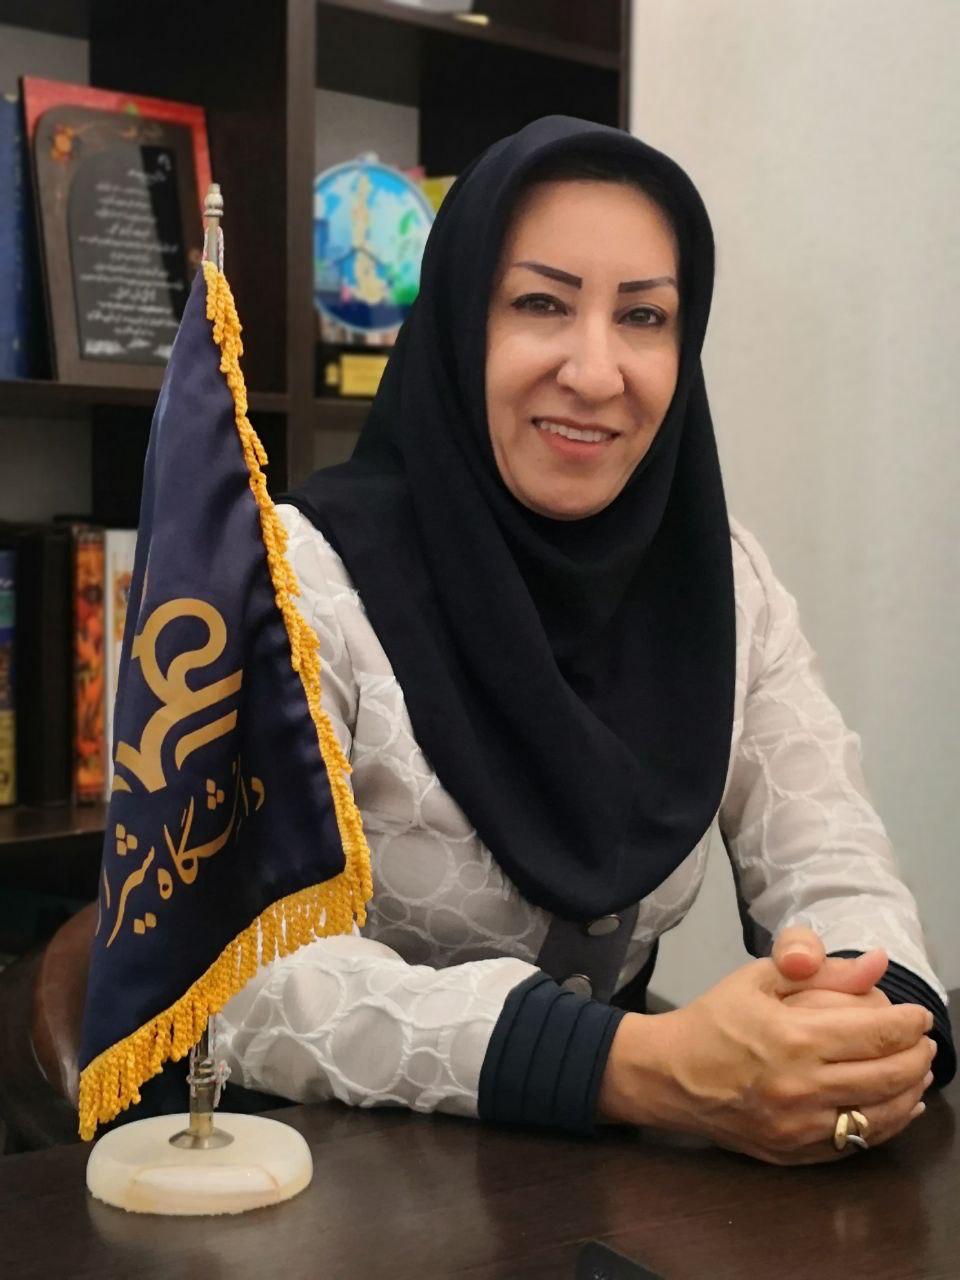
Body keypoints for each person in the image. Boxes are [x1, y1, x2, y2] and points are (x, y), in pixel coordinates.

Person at [217, 115, 954, 1166]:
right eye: (541, 304)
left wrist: (863, 1022)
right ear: (459, 320)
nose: (598, 372)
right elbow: (247, 974)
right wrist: (635, 1065)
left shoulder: (723, 581)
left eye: (644, 316)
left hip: (618, 1182)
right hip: (335, 1188)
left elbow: (831, 856)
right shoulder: (294, 578)